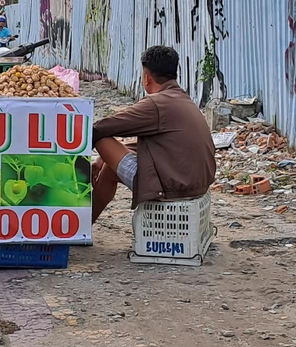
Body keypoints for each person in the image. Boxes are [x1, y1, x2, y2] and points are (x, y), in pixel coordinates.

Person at [90, 46, 215, 223]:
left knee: (102, 139)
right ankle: (86, 224)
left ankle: (83, 225)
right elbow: (159, 146)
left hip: (170, 187)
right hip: (194, 186)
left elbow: (103, 128)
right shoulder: (183, 99)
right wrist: (104, 159)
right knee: (110, 169)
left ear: (147, 78)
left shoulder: (157, 103)